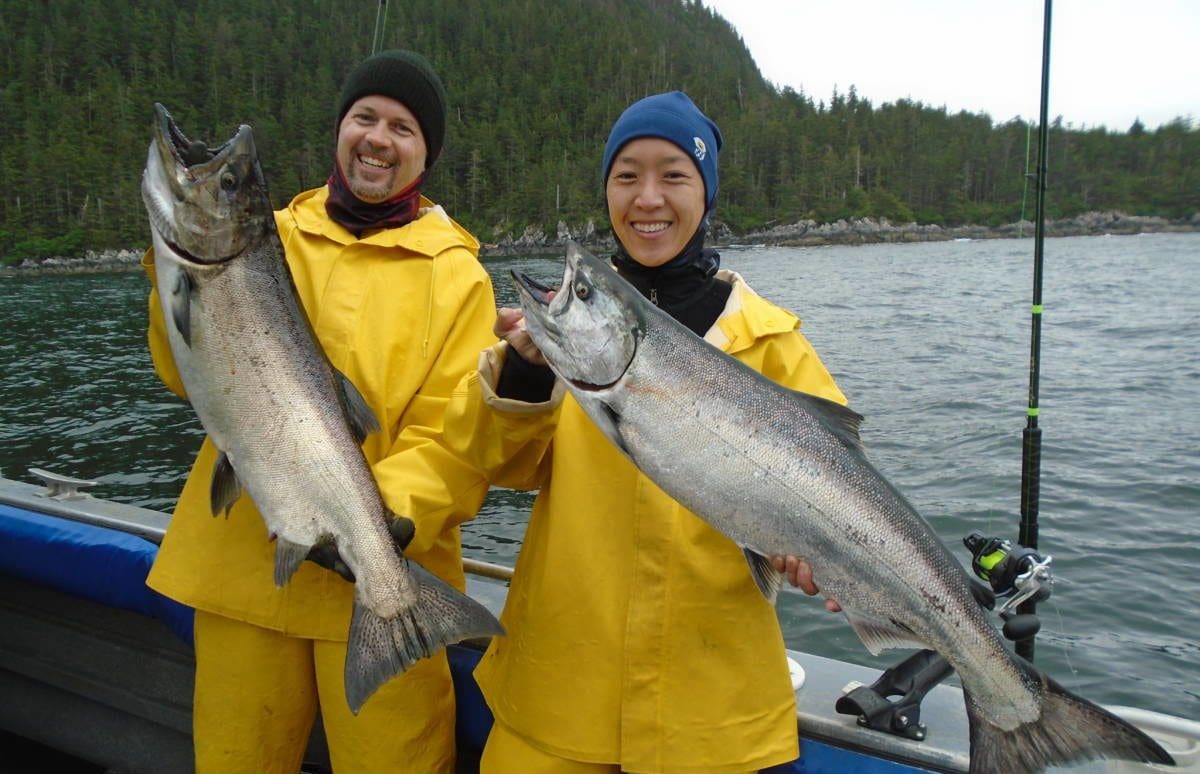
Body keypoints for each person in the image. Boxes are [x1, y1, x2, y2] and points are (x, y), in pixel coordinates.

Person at [444, 91, 848, 772]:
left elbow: (842, 491)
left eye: (674, 175)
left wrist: (814, 553)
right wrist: (521, 378)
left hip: (711, 713)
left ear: (706, 192)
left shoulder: (773, 343)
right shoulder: (565, 333)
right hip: (557, 689)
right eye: (626, 176)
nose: (648, 198)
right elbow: (498, 466)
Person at [142, 49, 499, 773]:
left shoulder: (460, 277)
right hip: (244, 573)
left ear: (425, 154)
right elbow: (183, 374)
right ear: (339, 129)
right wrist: (168, 270)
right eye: (364, 117)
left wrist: (378, 519)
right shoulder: (265, 237)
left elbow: (458, 437)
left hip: (383, 575)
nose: (377, 138)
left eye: (402, 127)